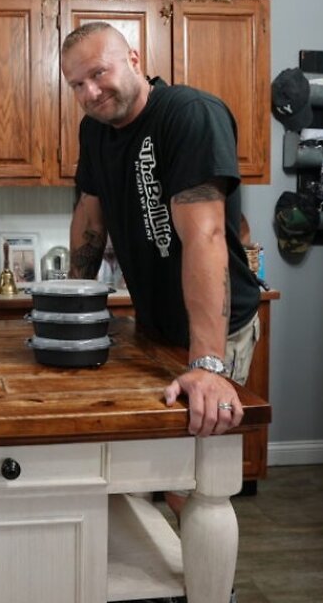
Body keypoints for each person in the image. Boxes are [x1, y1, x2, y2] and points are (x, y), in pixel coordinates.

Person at [61, 22, 261, 438]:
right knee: (158, 458)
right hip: (154, 324)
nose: (90, 94)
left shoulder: (189, 114)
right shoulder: (93, 130)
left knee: (199, 471)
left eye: (98, 74)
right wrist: (69, 307)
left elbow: (203, 237)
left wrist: (207, 363)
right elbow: (90, 216)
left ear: (134, 60)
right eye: (76, 84)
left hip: (214, 331)